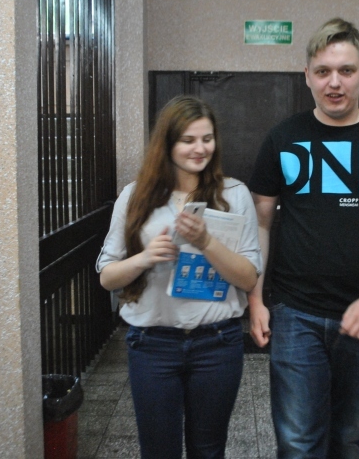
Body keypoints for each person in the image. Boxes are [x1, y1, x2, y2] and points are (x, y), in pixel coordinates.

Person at [247, 17, 359, 458]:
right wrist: (256, 300)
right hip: (295, 313)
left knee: (345, 438)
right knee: (298, 442)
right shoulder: (283, 139)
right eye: (323, 71)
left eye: (346, 70)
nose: (334, 82)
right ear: (306, 75)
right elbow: (259, 226)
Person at [96, 95, 262, 459]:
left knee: (208, 450)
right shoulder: (135, 196)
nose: (200, 149)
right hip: (152, 345)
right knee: (159, 451)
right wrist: (145, 258)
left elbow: (249, 278)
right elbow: (107, 277)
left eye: (207, 139)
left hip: (217, 343)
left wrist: (206, 242)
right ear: (167, 143)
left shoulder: (234, 194)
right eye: (188, 140)